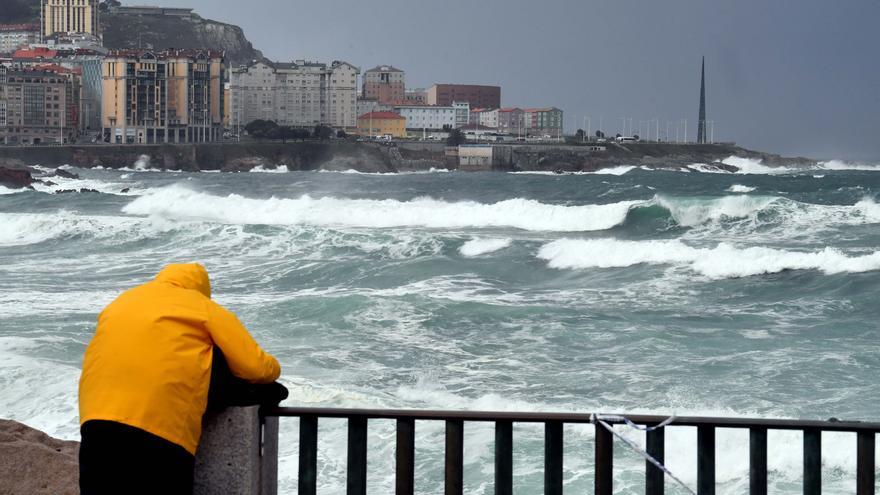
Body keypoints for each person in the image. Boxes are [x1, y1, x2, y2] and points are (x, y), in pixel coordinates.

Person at [78, 263, 286, 494]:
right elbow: (255, 367)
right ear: (201, 288)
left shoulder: (121, 302)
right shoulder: (202, 307)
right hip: (161, 429)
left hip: (96, 424)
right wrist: (275, 372)